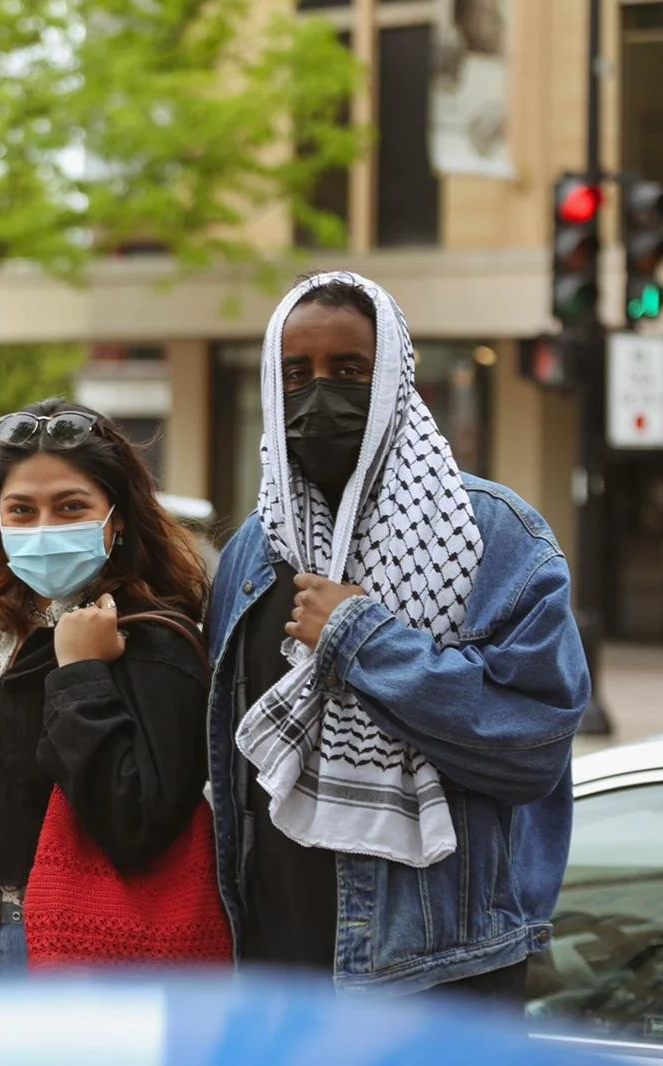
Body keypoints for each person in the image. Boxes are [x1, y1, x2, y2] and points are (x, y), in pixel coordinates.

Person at [204, 271, 590, 1000]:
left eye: (349, 371)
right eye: (296, 373)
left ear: (395, 383)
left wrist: (360, 637)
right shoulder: (253, 553)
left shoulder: (493, 537)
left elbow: (533, 748)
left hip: (441, 977)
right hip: (274, 974)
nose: (319, 395)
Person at [0, 399, 211, 973]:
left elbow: (137, 826)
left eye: (71, 507)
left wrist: (81, 676)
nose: (44, 528)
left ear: (116, 520)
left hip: (73, 949)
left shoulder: (153, 640)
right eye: (22, 510)